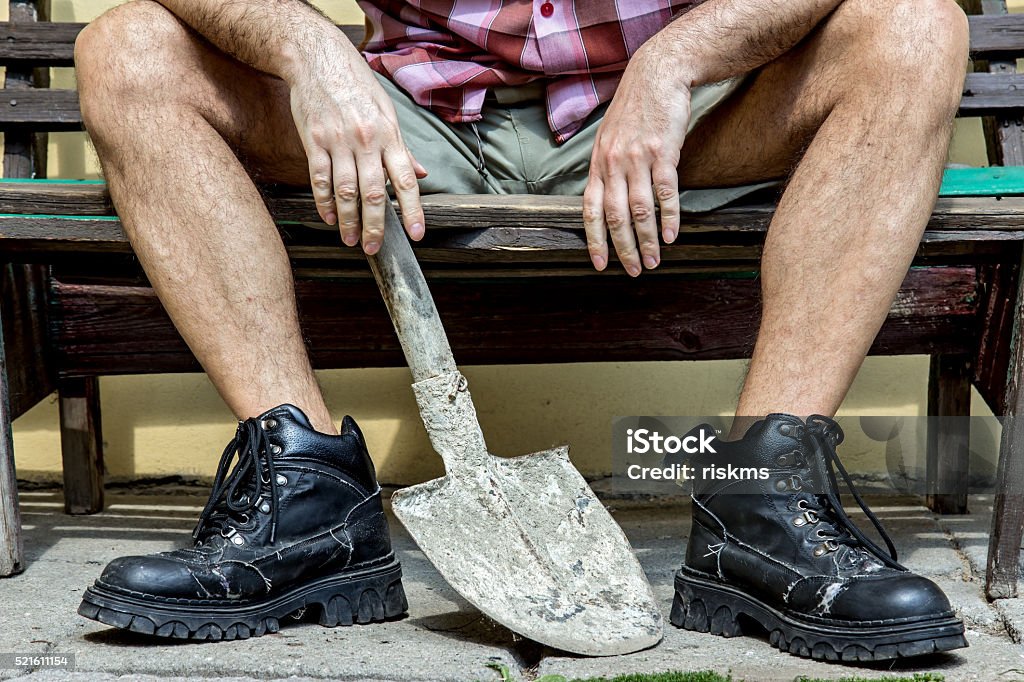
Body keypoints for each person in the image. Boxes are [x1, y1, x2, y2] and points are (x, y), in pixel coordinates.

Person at [71, 0, 970, 660]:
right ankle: (307, 504)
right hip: (410, 116)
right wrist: (309, 50)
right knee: (128, 49)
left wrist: (674, 63)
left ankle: (759, 501)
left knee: (914, 25)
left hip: (686, 112)